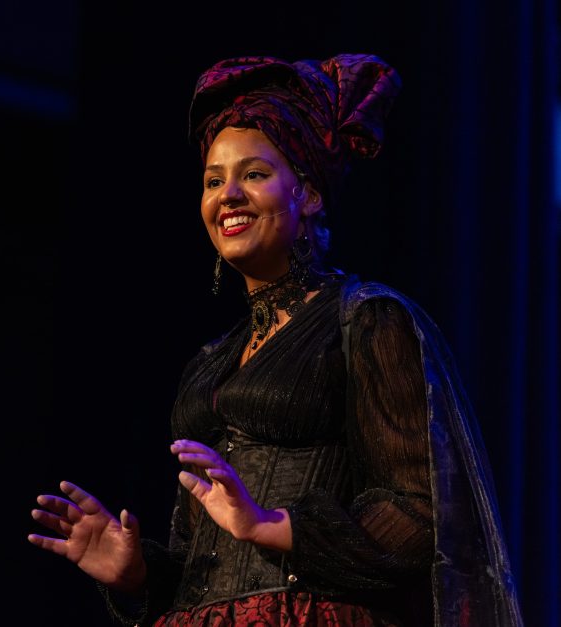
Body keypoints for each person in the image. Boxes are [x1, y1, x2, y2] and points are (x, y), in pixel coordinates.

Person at [28, 54, 523, 626]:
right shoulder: (211, 362)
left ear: (308, 195)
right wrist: (137, 571)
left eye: (255, 174)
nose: (228, 195)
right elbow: (197, 557)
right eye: (214, 181)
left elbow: (421, 513)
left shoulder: (367, 321)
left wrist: (273, 525)